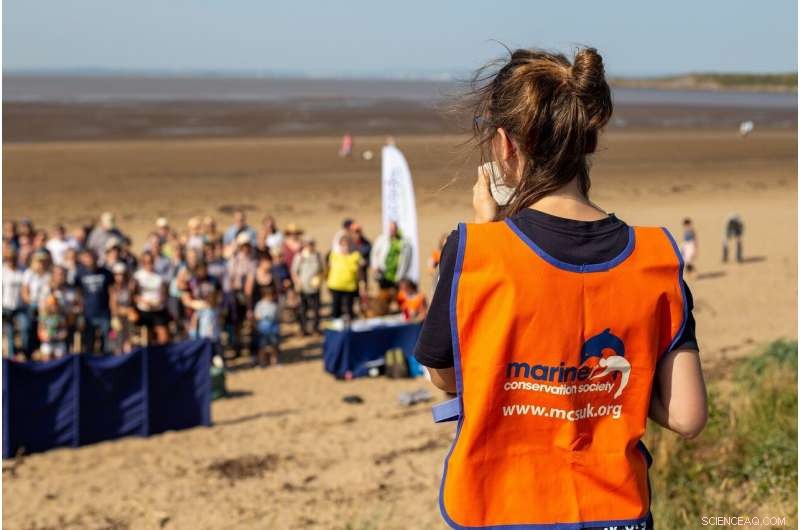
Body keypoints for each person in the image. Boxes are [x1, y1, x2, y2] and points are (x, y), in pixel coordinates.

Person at [414, 48, 707, 530]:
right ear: (585, 138)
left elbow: (445, 375)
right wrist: (623, 381)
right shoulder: (656, 257)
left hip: (501, 508)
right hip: (617, 513)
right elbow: (687, 416)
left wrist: (488, 235)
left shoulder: (475, 251)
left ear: (504, 146)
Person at [370, 221, 413, 314]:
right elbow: (375, 253)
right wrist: (375, 266)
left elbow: (407, 258)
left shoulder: (403, 242)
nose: (392, 230)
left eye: (394, 228)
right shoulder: (382, 239)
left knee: (396, 295)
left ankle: (397, 312)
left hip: (396, 275)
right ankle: (383, 311)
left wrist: (403, 273)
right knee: (383, 295)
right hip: (383, 274)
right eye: (391, 229)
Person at [75, 249, 113, 354]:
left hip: (104, 312)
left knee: (109, 338)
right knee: (89, 340)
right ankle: (89, 360)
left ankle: (108, 358)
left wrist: (113, 311)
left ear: (96, 258)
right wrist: (80, 310)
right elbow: (78, 293)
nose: (90, 260)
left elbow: (112, 292)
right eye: (87, 258)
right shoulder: (79, 273)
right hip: (88, 313)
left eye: (92, 257)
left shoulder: (106, 273)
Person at [133, 251, 170, 345]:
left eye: (151, 262)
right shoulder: (137, 276)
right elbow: (133, 295)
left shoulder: (159, 276)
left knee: (164, 337)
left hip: (158, 309)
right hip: (144, 310)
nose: (148, 264)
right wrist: (143, 301)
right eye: (146, 262)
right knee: (147, 338)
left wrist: (159, 301)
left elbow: (164, 294)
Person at [182, 261, 222, 347]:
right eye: (200, 270)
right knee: (194, 338)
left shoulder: (213, 280)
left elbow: (218, 296)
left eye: (204, 269)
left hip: (210, 313)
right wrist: (197, 304)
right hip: (194, 312)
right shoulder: (192, 282)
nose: (203, 272)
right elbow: (186, 299)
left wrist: (210, 304)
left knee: (211, 337)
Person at [21, 251, 52, 356]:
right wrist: (34, 303)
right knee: (29, 326)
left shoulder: (48, 274)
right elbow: (25, 293)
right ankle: (29, 352)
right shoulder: (29, 273)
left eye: (43, 261)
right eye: (39, 261)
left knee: (46, 328)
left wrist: (44, 305)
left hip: (46, 307)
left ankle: (42, 351)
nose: (41, 263)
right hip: (32, 305)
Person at [291, 238, 324, 335]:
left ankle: (315, 328)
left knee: (316, 310)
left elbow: (322, 270)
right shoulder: (299, 256)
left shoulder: (318, 256)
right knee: (302, 310)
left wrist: (318, 279)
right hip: (303, 288)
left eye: (311, 244)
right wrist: (298, 282)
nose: (310, 246)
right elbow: (294, 271)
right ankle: (303, 329)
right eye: (307, 244)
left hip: (315, 288)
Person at [3, 247, 30, 358]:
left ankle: (24, 352)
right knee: (10, 333)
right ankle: (11, 357)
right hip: (6, 306)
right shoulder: (2, 271)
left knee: (25, 327)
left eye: (13, 258)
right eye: (8, 258)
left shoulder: (22, 270)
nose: (11, 260)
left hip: (20, 306)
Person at [327, 234, 362, 320]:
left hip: (350, 287)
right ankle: (336, 323)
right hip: (336, 286)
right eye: (342, 245)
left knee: (349, 308)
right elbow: (328, 269)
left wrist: (361, 285)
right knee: (336, 307)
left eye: (346, 245)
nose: (345, 247)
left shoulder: (355, 256)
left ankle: (350, 325)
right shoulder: (334, 255)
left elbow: (359, 272)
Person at [109, 262, 135, 354]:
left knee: (128, 342)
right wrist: (124, 311)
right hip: (117, 318)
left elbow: (132, 303)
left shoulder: (129, 288)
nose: (120, 277)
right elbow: (113, 307)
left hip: (128, 320)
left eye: (122, 274)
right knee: (116, 341)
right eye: (117, 274)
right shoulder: (112, 288)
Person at [253, 285, 280, 367]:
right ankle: (262, 362)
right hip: (263, 330)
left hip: (273, 329)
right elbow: (256, 316)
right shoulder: (260, 305)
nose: (270, 298)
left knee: (274, 346)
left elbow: (277, 316)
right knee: (262, 346)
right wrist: (264, 317)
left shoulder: (274, 305)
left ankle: (274, 361)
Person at [38, 294, 68, 360]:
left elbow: (65, 331)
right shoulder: (43, 316)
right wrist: (45, 337)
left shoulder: (61, 316)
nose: (53, 307)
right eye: (51, 304)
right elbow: (40, 331)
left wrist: (60, 336)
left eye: (55, 304)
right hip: (47, 342)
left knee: (60, 354)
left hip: (58, 342)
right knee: (46, 352)